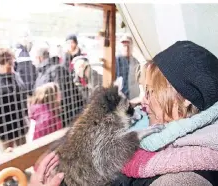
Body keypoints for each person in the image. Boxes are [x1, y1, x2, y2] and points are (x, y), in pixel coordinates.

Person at [39, 41, 218, 186]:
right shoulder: (155, 140)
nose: (143, 101)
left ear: (185, 97)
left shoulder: (180, 180)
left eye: (150, 91)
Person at [0, 48, 28, 149]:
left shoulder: (16, 76)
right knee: (8, 158)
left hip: (20, 126)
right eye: (8, 63)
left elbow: (24, 97)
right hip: (3, 131)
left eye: (11, 62)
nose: (10, 66)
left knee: (25, 154)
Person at [34, 46, 84, 127]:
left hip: (59, 117)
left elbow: (64, 97)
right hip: (52, 118)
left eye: (36, 57)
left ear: (40, 58)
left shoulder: (53, 71)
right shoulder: (43, 71)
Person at [115, 33, 140, 101]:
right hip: (120, 98)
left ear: (132, 46)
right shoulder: (116, 60)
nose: (126, 48)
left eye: (128, 45)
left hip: (134, 98)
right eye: (124, 46)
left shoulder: (136, 62)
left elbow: (139, 80)